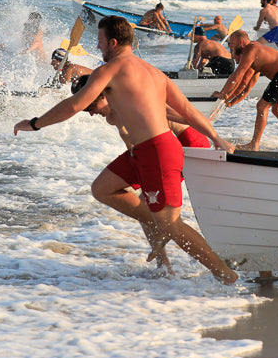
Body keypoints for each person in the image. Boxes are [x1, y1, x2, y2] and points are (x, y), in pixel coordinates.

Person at [13, 16, 237, 284]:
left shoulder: (110, 69)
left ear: (113, 42)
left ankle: (225, 274)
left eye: (99, 42)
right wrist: (215, 137)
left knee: (171, 224)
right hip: (143, 152)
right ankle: (159, 229)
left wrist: (35, 123)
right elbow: (186, 110)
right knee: (102, 188)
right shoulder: (153, 72)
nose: (97, 48)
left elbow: (74, 105)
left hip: (158, 150)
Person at [69, 73, 210, 272]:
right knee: (146, 201)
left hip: (188, 143)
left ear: (101, 95)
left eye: (90, 107)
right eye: (85, 111)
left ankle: (173, 242)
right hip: (160, 149)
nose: (91, 114)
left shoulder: (129, 100)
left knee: (154, 203)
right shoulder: (112, 115)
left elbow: (171, 120)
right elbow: (129, 140)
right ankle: (164, 264)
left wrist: (213, 135)